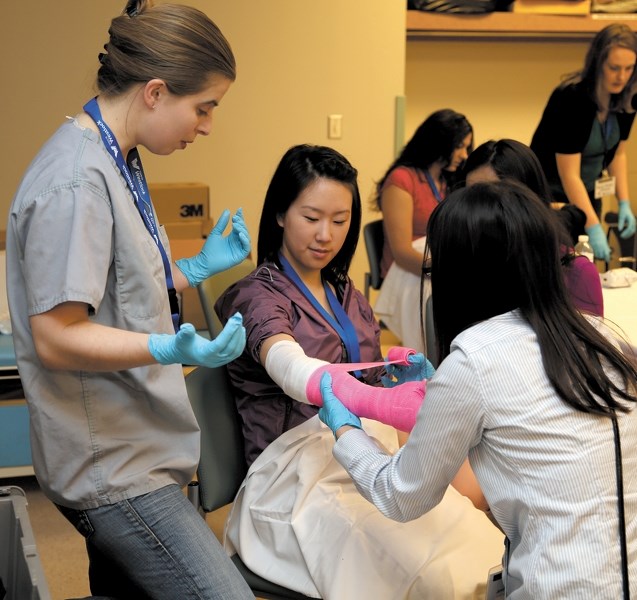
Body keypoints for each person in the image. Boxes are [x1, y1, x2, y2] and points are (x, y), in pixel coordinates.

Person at [5, 2, 255, 598]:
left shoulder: (120, 158)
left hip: (139, 443)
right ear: (155, 92)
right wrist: (167, 346)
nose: (207, 126)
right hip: (115, 469)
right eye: (204, 108)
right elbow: (57, 336)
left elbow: (120, 280)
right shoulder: (76, 180)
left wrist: (191, 268)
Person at [319, 180, 637, 599]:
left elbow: (401, 496)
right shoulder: (602, 336)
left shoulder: (473, 359)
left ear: (460, 276)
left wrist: (346, 431)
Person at [215, 144, 504, 599]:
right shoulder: (254, 296)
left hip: (362, 454)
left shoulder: (344, 289)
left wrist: (398, 373)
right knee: (420, 572)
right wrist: (376, 400)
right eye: (311, 218)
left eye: (340, 219)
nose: (325, 235)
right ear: (279, 215)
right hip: (293, 480)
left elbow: (365, 366)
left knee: (477, 549)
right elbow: (291, 368)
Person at [462, 138, 604, 317]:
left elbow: (584, 344)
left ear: (530, 198)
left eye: (493, 196)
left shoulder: (575, 273)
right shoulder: (465, 265)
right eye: (471, 196)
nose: (478, 210)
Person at [531, 23, 637, 262]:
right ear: (598, 64)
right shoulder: (572, 99)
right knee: (556, 265)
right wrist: (593, 226)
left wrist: (624, 203)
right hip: (552, 195)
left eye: (629, 68)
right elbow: (569, 175)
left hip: (587, 192)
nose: (622, 77)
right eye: (614, 68)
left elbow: (618, 154)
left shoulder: (627, 98)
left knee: (584, 266)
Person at [373, 109, 473, 352]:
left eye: (467, 148)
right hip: (408, 268)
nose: (463, 155)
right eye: (459, 146)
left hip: (437, 262)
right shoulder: (402, 180)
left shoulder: (448, 182)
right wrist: (446, 271)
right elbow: (402, 252)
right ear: (438, 143)